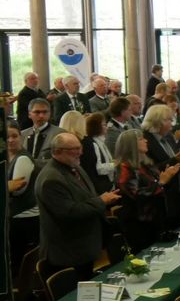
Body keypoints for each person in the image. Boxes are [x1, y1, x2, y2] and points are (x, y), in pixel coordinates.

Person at [35, 132, 121, 279]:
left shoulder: (75, 167)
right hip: (68, 252)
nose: (80, 152)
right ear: (57, 152)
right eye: (73, 149)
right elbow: (69, 212)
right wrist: (101, 201)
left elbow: (86, 197)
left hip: (84, 247)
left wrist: (104, 199)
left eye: (79, 147)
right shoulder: (51, 179)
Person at [113, 129, 179, 253]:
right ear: (132, 145)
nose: (146, 140)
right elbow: (137, 194)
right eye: (141, 139)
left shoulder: (146, 164)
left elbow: (159, 188)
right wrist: (161, 182)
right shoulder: (124, 168)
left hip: (156, 218)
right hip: (139, 223)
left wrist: (167, 178)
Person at [142, 104, 180, 228]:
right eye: (169, 120)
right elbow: (149, 169)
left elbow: (174, 158)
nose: (172, 123)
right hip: (163, 196)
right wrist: (174, 160)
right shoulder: (145, 141)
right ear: (157, 121)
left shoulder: (168, 136)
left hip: (178, 191)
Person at [6, 125, 40, 269]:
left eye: (14, 136)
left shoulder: (22, 159)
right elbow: (11, 187)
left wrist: (7, 186)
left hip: (24, 217)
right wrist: (8, 185)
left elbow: (18, 190)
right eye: (7, 137)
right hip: (15, 215)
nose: (10, 140)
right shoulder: (7, 158)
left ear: (21, 137)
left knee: (17, 261)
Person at [80, 112, 116, 193]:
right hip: (99, 187)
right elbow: (99, 169)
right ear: (96, 127)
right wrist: (115, 164)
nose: (106, 127)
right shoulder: (91, 143)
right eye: (103, 125)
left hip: (107, 183)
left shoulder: (100, 141)